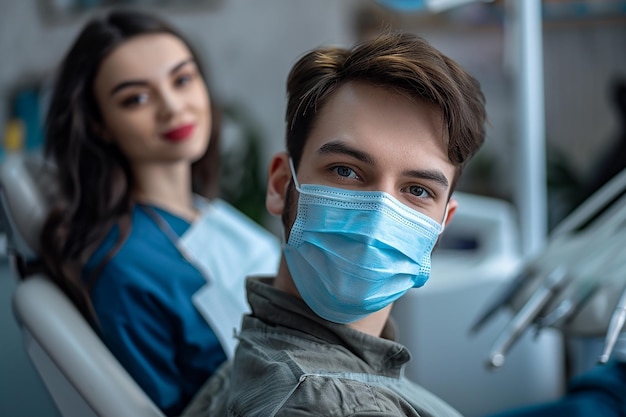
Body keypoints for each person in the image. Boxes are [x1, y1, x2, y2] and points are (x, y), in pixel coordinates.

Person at [182, 30, 486, 417]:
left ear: (444, 221)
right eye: (346, 171)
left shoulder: (256, 350)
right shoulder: (325, 405)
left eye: (417, 190)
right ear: (280, 185)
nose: (379, 215)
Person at [39, 9, 280, 416]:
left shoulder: (208, 213)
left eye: (182, 79)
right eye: (137, 98)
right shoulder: (124, 266)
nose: (172, 107)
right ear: (100, 125)